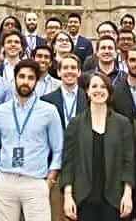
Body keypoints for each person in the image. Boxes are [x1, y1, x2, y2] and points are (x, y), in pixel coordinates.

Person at [0, 59, 64, 221]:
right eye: (21, 76)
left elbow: (58, 149)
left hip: (35, 182)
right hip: (5, 180)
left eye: (31, 78)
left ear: (36, 81)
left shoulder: (49, 111)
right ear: (14, 79)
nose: (25, 81)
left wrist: (49, 182)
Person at [61, 73, 134, 221]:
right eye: (94, 86)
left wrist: (128, 194)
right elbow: (68, 162)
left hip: (114, 199)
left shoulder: (123, 123)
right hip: (83, 198)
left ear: (109, 91)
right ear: (87, 92)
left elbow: (129, 161)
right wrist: (68, 196)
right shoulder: (76, 124)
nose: (99, 90)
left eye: (103, 86)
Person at [41, 53, 86, 221]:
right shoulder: (46, 101)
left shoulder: (89, 98)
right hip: (55, 167)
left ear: (79, 72)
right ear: (58, 72)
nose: (69, 71)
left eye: (73, 68)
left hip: (83, 166)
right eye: (65, 68)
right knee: (57, 213)